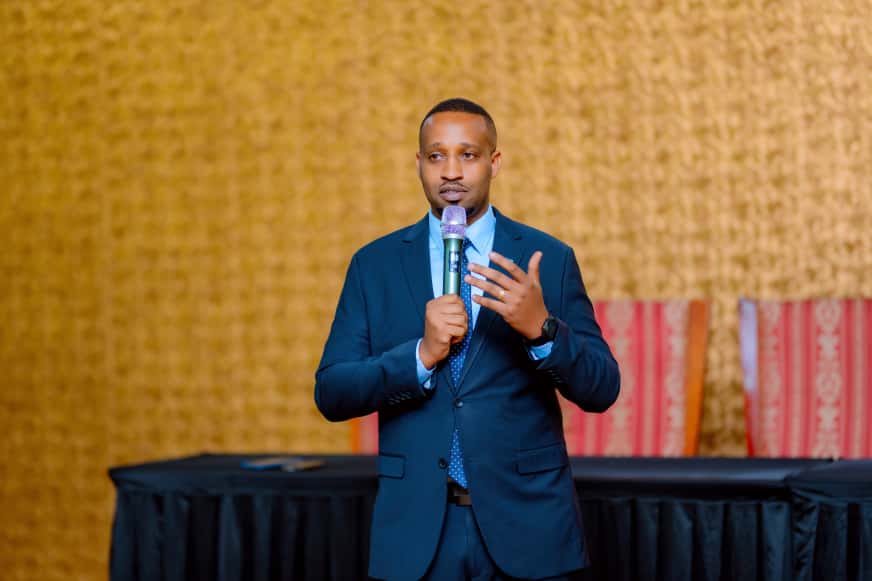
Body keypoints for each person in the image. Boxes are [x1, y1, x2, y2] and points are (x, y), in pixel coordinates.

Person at [315, 98, 620, 581]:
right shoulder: (374, 265)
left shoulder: (549, 257)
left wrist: (542, 330)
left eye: (469, 155)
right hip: (417, 534)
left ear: (494, 163)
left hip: (530, 528)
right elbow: (332, 392)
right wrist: (420, 356)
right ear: (418, 164)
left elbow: (602, 388)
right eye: (436, 156)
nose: (451, 171)